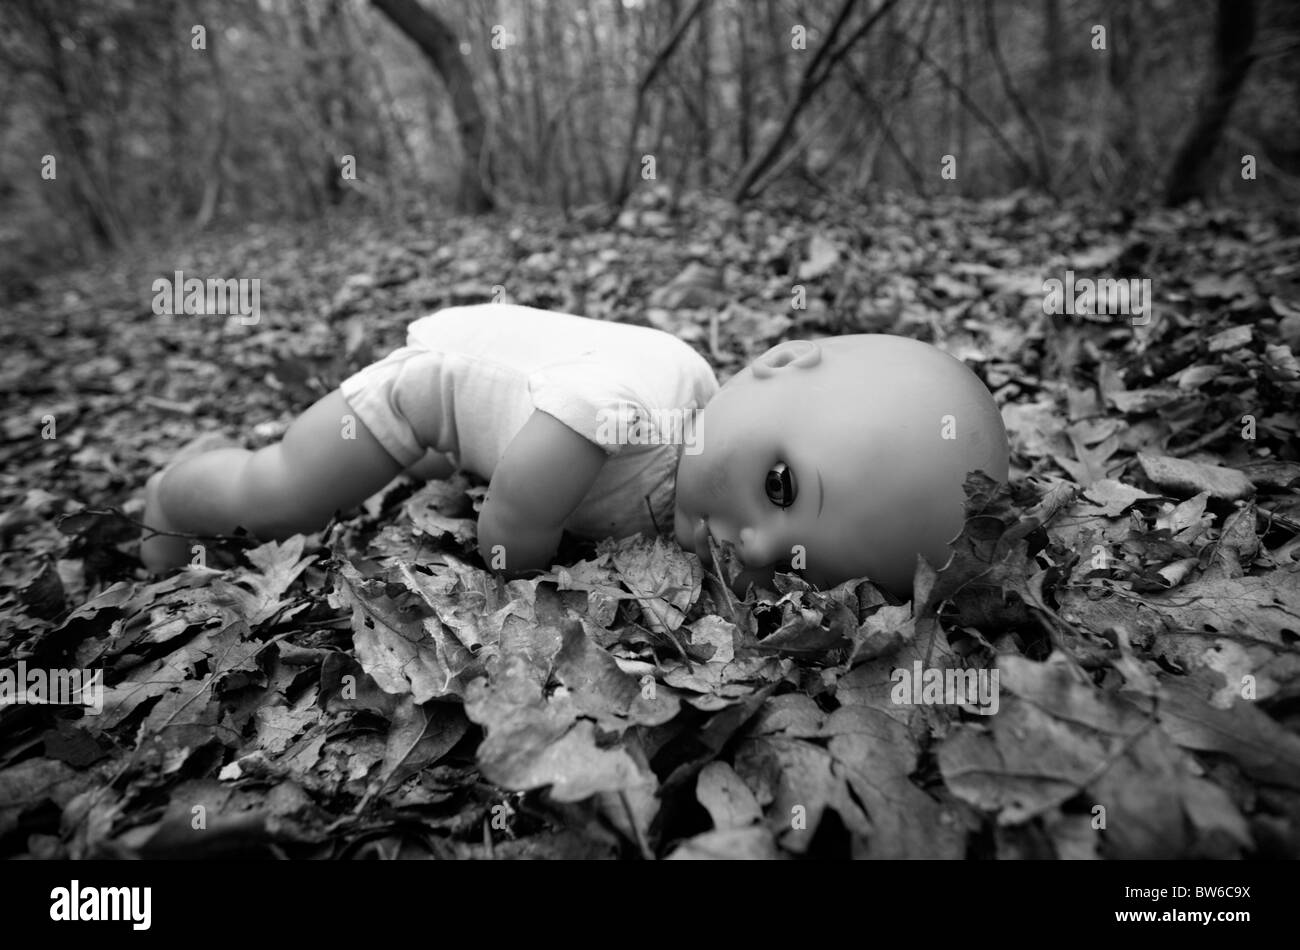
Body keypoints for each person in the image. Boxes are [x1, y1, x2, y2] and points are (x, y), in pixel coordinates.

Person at [142, 303, 1009, 596]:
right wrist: (515, 566)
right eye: (780, 487)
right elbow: (526, 488)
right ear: (776, 364)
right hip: (423, 395)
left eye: (795, 567)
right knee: (284, 494)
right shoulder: (656, 395)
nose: (757, 543)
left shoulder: (697, 462)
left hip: (477, 428)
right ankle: (181, 490)